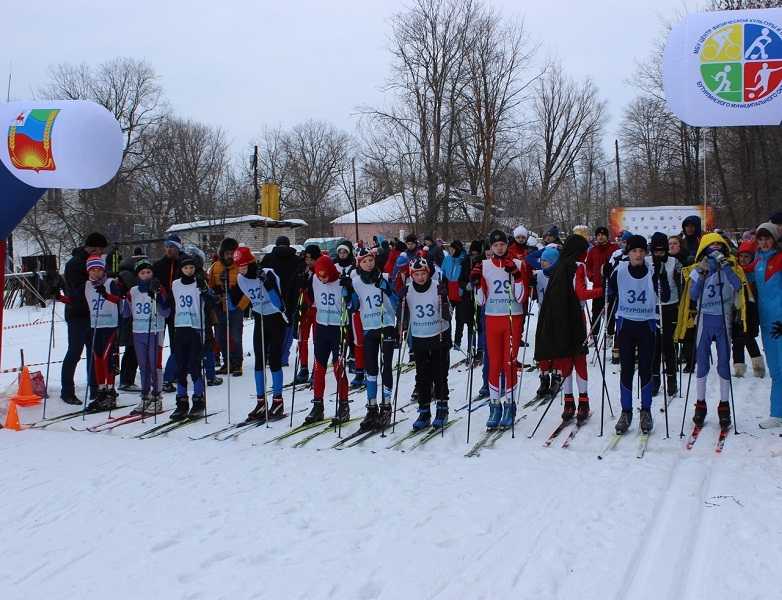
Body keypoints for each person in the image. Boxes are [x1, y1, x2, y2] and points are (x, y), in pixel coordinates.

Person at [676, 233, 747, 430]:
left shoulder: (731, 266)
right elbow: (693, 295)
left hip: (724, 320)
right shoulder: (699, 268)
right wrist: (702, 273)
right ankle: (700, 405)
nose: (715, 248)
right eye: (711, 245)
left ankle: (724, 406)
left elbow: (737, 286)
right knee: (702, 363)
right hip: (705, 319)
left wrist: (726, 267)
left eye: (719, 244)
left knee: (723, 362)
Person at [534, 235, 602, 426]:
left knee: (565, 360)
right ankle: (583, 402)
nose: (587, 254)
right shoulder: (578, 266)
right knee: (579, 360)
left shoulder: (558, 266)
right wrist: (601, 290)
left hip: (558, 320)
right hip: (575, 319)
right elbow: (581, 293)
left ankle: (568, 403)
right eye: (585, 250)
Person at [470, 230, 529, 430]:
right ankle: (494, 406)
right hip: (492, 319)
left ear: (507, 245)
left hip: (513, 319)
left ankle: (509, 405)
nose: (499, 248)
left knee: (509, 363)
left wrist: (517, 276)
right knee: (494, 363)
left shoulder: (519, 264)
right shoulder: (484, 266)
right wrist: (477, 283)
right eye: (495, 246)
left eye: (502, 245)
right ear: (491, 248)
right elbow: (481, 301)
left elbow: (521, 298)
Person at [342, 248, 398, 431]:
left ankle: (387, 406)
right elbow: (353, 306)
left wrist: (388, 290)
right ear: (359, 263)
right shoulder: (356, 281)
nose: (368, 264)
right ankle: (372, 407)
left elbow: (397, 301)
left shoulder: (384, 276)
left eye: (371, 260)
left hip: (386, 324)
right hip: (369, 327)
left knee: (386, 366)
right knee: (371, 369)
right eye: (364, 261)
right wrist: (347, 291)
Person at [608, 235, 657, 434]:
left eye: (641, 251)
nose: (638, 254)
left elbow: (665, 291)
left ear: (645, 253)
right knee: (626, 369)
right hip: (626, 325)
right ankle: (626, 412)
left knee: (646, 368)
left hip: (647, 325)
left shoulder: (653, 271)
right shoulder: (619, 271)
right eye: (634, 251)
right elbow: (610, 291)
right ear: (628, 253)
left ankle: (646, 411)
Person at [234, 246, 287, 422]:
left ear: (250, 262)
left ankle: (278, 400)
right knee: (259, 360)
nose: (241, 269)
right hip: (260, 318)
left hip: (275, 318)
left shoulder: (268, 273)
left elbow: (279, 303)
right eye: (238, 266)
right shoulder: (241, 279)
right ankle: (260, 401)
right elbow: (239, 303)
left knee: (274, 360)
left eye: (243, 265)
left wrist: (268, 284)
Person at [401, 257, 451, 430]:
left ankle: (442, 409)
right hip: (420, 337)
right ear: (412, 275)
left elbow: (449, 314)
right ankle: (424, 411)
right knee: (422, 376)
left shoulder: (437, 286)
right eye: (417, 274)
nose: (420, 277)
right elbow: (402, 313)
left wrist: (445, 300)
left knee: (439, 374)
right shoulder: (408, 289)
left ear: (428, 273)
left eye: (423, 273)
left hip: (438, 335)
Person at [59, 232, 108, 405]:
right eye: (100, 250)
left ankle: (95, 388)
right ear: (93, 248)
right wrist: (92, 282)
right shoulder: (74, 264)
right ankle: (67, 391)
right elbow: (74, 291)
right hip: (77, 314)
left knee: (94, 351)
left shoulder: (97, 262)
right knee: (75, 351)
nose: (101, 254)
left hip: (95, 313)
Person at [169, 255, 214, 421]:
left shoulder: (199, 283)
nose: (189, 270)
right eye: (186, 268)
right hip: (180, 327)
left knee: (194, 365)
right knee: (180, 367)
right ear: (181, 269)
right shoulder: (175, 284)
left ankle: (198, 399)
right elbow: (170, 303)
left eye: (191, 268)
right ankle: (181, 402)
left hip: (196, 327)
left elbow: (211, 301)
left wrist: (205, 290)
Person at [307, 254, 350, 424]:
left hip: (338, 327)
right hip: (321, 327)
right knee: (319, 367)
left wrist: (349, 289)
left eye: (325, 275)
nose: (322, 279)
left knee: (338, 366)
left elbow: (353, 304)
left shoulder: (341, 281)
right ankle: (318, 406)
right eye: (319, 275)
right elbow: (311, 298)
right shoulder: (315, 280)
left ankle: (344, 406)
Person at [124, 259, 169, 415]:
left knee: (154, 364)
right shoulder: (133, 291)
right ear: (138, 275)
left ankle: (157, 398)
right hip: (138, 332)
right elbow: (126, 312)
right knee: (143, 366)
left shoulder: (158, 288)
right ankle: (145, 396)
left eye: (148, 272)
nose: (146, 275)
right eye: (142, 273)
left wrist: (159, 296)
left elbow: (166, 312)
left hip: (156, 331)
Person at [84, 254, 124, 411]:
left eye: (98, 269)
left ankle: (109, 392)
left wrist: (105, 294)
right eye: (92, 270)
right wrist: (59, 297)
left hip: (110, 326)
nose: (95, 273)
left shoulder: (109, 283)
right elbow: (76, 300)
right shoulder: (87, 285)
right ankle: (101, 392)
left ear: (103, 270)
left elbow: (118, 299)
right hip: (95, 327)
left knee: (108, 361)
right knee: (98, 359)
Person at [753, 223, 782, 428]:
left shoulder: (780, 259)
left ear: (774, 239)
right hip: (767, 323)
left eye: (767, 238)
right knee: (776, 369)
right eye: (760, 239)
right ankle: (777, 413)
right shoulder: (758, 262)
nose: (763, 242)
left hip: (780, 321)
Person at [261, 236, 304, 367]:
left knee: (272, 329)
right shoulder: (296, 259)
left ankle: (270, 355)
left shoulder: (268, 258)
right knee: (287, 329)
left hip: (272, 297)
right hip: (291, 297)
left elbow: (261, 276)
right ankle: (283, 357)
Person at [650, 232, 682, 396]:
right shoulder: (648, 262)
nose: (659, 254)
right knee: (654, 346)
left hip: (670, 306)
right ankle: (655, 379)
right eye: (656, 251)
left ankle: (672, 379)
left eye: (662, 251)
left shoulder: (674, 262)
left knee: (668, 345)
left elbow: (680, 284)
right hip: (653, 308)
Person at [208, 237, 246, 377]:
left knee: (236, 336)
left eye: (232, 253)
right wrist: (215, 297)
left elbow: (247, 289)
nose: (229, 256)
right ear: (222, 253)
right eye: (227, 253)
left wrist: (241, 306)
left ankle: (237, 363)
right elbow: (210, 286)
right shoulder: (215, 267)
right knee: (220, 337)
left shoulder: (240, 266)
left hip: (236, 307)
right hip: (220, 307)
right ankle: (227, 362)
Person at [153, 234, 183, 393]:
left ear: (178, 247)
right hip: (162, 307)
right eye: (167, 246)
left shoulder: (183, 263)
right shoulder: (159, 265)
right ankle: (158, 375)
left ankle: (175, 372)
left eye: (172, 246)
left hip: (178, 308)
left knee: (176, 342)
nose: (169, 249)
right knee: (158, 342)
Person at [531, 246, 561, 398]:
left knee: (556, 346)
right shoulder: (539, 275)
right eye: (542, 261)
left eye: (546, 261)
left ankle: (556, 377)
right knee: (542, 347)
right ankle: (544, 378)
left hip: (557, 313)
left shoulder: (560, 275)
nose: (543, 264)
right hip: (543, 313)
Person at [734, 240, 765, 379]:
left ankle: (758, 366)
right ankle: (739, 368)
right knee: (737, 339)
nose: (743, 259)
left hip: (751, 311)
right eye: (741, 256)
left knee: (749, 338)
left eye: (746, 256)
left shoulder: (755, 273)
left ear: (752, 257)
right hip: (737, 310)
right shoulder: (735, 271)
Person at [293, 244, 322, 384]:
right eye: (306, 258)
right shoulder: (302, 268)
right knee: (302, 339)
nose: (308, 261)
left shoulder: (320, 269)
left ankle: (316, 368)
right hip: (304, 308)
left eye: (310, 259)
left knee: (317, 340)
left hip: (317, 308)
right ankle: (303, 367)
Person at [585, 226, 618, 341]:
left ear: (607, 236)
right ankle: (594, 336)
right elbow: (588, 266)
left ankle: (609, 334)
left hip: (611, 287)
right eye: (598, 235)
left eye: (603, 235)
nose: (600, 237)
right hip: (598, 286)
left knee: (610, 312)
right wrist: (592, 277)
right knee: (596, 311)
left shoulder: (614, 248)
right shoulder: (593, 250)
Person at [441, 240, 473, 351]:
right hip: (449, 292)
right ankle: (448, 340)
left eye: (453, 249)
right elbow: (443, 273)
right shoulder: (447, 259)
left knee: (460, 319)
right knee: (447, 318)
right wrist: (443, 287)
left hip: (461, 293)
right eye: (450, 249)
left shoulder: (464, 260)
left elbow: (466, 275)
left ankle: (457, 342)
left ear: (458, 249)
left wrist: (464, 287)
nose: (450, 251)